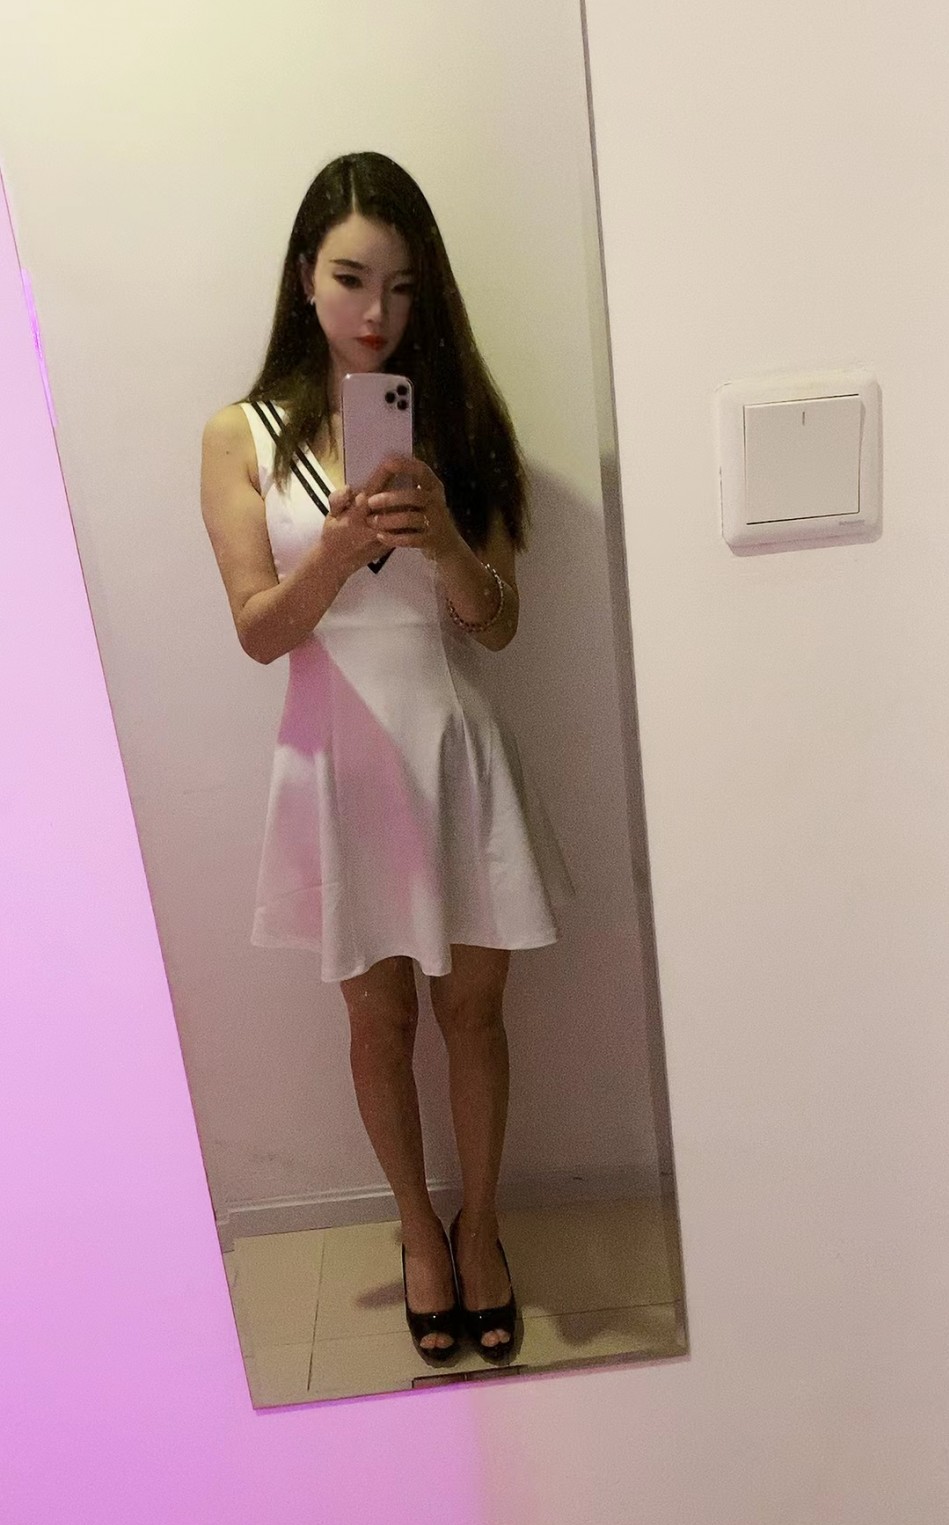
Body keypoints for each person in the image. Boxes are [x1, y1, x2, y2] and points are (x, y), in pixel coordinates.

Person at [200, 152, 571, 1366]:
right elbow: (260, 633)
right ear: (303, 277)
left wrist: (446, 539)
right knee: (377, 1022)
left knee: (474, 1015)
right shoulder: (240, 436)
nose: (376, 313)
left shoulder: (455, 420)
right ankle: (417, 1229)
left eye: (403, 287)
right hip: (335, 759)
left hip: (451, 743)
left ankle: (482, 1229)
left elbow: (496, 626)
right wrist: (335, 548)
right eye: (353, 279)